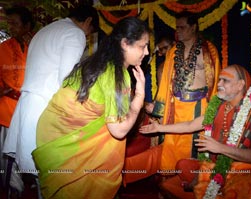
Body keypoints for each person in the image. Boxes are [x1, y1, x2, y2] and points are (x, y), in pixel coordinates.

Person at [31, 16, 149, 198]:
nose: (147, 52)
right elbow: (118, 130)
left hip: (51, 133)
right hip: (67, 142)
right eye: (142, 46)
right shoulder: (115, 73)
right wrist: (139, 98)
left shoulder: (96, 61)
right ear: (125, 43)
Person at [140, 64, 251, 199]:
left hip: (244, 171)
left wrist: (220, 148)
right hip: (214, 166)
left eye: (225, 80)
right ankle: (209, 183)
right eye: (220, 79)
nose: (219, 84)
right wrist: (159, 128)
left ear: (240, 85)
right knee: (183, 165)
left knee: (249, 185)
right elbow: (190, 125)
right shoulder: (218, 107)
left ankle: (211, 185)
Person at [2, 4, 99, 182]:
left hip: (28, 103)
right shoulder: (74, 33)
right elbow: (67, 79)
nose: (86, 36)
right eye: (89, 32)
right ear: (88, 21)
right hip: (46, 107)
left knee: (42, 174)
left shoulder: (46, 30)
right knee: (52, 174)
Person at [145, 11, 220, 174]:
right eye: (176, 27)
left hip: (199, 107)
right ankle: (170, 180)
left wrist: (213, 111)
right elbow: (165, 83)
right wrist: (159, 109)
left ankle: (195, 184)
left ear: (194, 27)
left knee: (196, 150)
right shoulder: (172, 52)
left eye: (182, 27)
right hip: (175, 107)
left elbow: (214, 84)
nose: (177, 31)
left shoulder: (209, 51)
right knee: (172, 147)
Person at [0, 5, 34, 189]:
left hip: (30, 107)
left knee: (26, 146)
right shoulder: (3, 48)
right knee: (8, 151)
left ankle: (27, 182)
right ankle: (13, 188)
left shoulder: (36, 46)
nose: (11, 28)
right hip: (7, 109)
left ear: (27, 25)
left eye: (15, 23)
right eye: (9, 23)